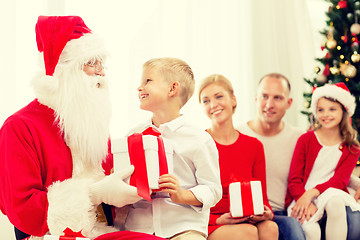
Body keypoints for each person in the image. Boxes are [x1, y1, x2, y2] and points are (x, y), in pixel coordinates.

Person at [0, 16, 165, 240]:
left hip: (106, 229)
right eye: (91, 63)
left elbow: (112, 186)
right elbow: (22, 211)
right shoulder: (19, 127)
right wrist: (93, 194)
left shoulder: (91, 123)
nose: (102, 72)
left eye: (102, 63)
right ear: (65, 69)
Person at [123, 57, 222, 240]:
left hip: (183, 229)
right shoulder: (133, 136)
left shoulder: (199, 139)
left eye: (148, 81)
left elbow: (213, 189)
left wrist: (182, 195)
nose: (139, 87)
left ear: (172, 88)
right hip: (139, 229)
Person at [198, 74, 278, 240]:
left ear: (233, 99)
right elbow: (190, 200)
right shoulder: (200, 144)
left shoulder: (254, 146)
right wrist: (218, 219)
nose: (213, 105)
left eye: (219, 96)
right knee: (247, 232)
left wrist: (266, 213)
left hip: (246, 217)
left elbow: (261, 196)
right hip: (212, 221)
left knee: (270, 227)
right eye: (206, 101)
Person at [285, 82, 360, 240]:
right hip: (302, 195)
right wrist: (305, 198)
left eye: (332, 109)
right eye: (321, 110)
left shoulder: (352, 147)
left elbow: (340, 181)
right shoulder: (306, 140)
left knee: (336, 203)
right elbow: (294, 180)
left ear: (344, 111)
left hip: (330, 192)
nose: (325, 114)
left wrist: (313, 192)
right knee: (312, 231)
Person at [238, 73, 306, 240]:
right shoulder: (237, 134)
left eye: (277, 98)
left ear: (289, 103)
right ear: (256, 98)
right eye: (264, 96)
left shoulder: (299, 138)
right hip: (243, 214)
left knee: (292, 227)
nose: (269, 104)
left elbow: (322, 169)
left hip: (279, 213)